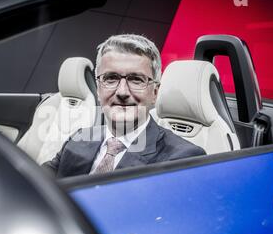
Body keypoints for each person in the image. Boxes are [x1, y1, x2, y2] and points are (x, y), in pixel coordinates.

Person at [43, 34, 205, 178]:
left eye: (136, 79)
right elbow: (36, 185)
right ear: (98, 90)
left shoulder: (183, 159)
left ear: (154, 93)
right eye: (111, 78)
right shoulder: (78, 139)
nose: (122, 92)